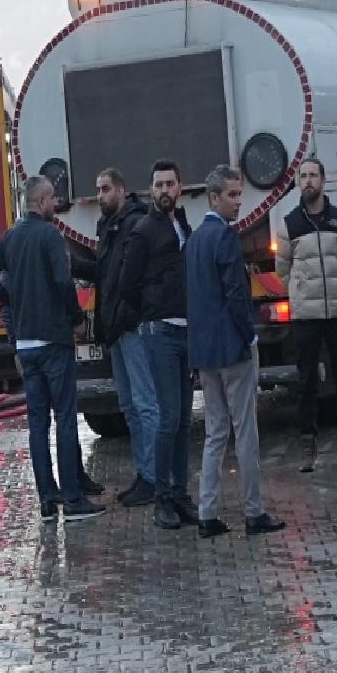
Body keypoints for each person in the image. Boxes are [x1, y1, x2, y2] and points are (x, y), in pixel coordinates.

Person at [0, 176, 106, 521]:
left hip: (26, 344)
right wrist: (76, 317)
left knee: (37, 423)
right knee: (65, 417)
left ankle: (47, 501)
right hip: (54, 339)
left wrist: (13, 301)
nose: (56, 204)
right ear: (40, 202)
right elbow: (62, 280)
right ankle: (74, 497)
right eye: (53, 198)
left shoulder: (11, 236)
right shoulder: (50, 235)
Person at [187, 165, 283, 539]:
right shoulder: (225, 238)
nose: (238, 202)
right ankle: (253, 511)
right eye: (232, 195)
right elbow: (235, 293)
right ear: (214, 198)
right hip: (232, 347)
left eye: (239, 195)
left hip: (205, 350)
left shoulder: (195, 241)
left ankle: (207, 512)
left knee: (215, 433)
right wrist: (249, 337)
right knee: (246, 431)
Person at [77, 167, 160, 506]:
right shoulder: (110, 227)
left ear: (122, 191)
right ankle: (145, 474)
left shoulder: (133, 225)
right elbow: (104, 273)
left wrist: (126, 315)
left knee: (144, 404)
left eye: (106, 188)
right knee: (129, 405)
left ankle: (153, 476)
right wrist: (70, 263)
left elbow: (131, 279)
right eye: (98, 189)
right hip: (117, 329)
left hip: (131, 327)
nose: (100, 195)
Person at [280, 156, 337, 470]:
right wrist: (300, 292)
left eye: (313, 175)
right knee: (306, 382)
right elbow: (282, 269)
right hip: (306, 316)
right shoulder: (290, 223)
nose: (308, 181)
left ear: (323, 180)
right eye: (303, 176)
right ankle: (308, 445)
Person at [135, 161, 199, 529]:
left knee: (183, 419)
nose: (164, 189)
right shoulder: (144, 230)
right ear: (150, 190)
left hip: (184, 331)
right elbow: (129, 280)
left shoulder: (182, 226)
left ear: (179, 188)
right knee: (168, 417)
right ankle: (162, 497)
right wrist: (150, 311)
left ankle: (180, 494)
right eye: (158, 184)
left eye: (170, 183)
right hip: (159, 332)